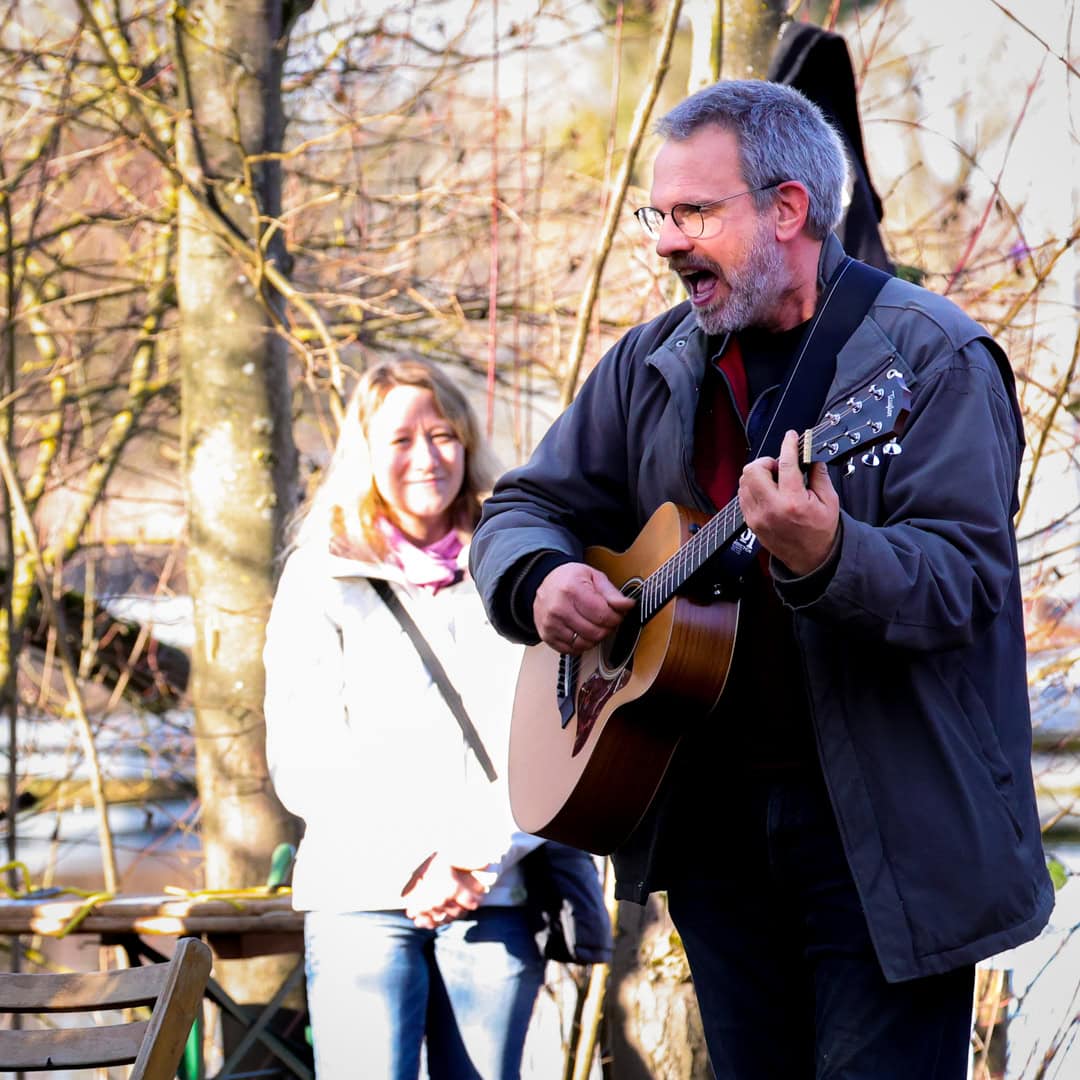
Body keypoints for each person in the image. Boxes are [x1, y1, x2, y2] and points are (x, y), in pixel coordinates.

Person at [468, 80, 1053, 1079]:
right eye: (660, 213)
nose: (664, 241)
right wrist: (538, 579)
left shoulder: (930, 360)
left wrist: (830, 554)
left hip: (888, 844)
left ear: (788, 209)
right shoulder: (648, 362)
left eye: (695, 213)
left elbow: (966, 585)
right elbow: (523, 506)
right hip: (712, 832)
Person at [263, 357, 545, 1079]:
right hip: (360, 894)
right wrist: (415, 861)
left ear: (469, 442)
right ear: (365, 452)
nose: (427, 457)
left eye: (443, 434)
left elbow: (547, 737)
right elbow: (305, 756)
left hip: (491, 890)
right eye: (400, 440)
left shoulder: (515, 568)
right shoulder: (320, 574)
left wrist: (474, 857)